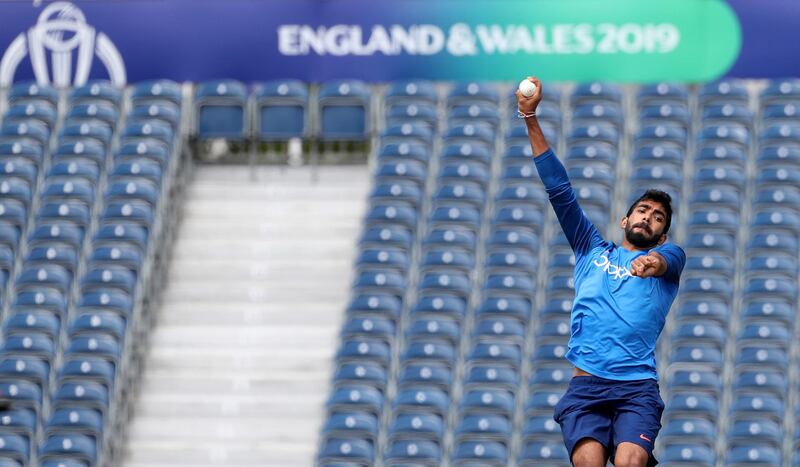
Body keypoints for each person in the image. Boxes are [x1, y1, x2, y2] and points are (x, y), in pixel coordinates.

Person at [516, 77, 686, 467]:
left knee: (629, 461)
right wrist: (529, 117)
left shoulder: (668, 259)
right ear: (625, 218)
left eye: (658, 217)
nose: (649, 217)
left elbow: (669, 261)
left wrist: (653, 263)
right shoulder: (590, 248)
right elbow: (560, 190)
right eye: (643, 210)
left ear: (662, 236)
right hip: (586, 384)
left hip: (636, 389)